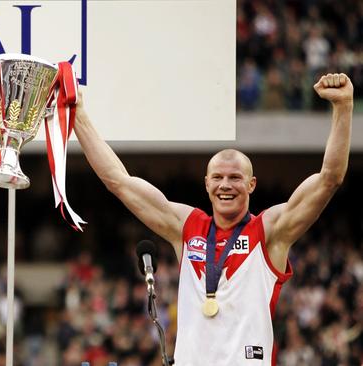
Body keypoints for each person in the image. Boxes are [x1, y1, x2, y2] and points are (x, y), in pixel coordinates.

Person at [73, 73, 353, 365]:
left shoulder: (269, 231)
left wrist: (343, 107)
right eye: (217, 177)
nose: (225, 185)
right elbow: (119, 181)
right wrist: (79, 115)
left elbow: (329, 180)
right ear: (206, 183)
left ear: (252, 184)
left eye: (235, 178)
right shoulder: (186, 226)